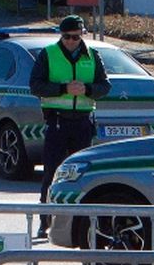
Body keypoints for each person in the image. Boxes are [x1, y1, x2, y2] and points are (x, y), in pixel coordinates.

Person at [30, 15, 112, 233]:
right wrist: (63, 89)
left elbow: (105, 86)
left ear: (82, 34)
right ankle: (45, 221)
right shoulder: (48, 54)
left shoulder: (93, 55)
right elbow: (36, 85)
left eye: (75, 37)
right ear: (61, 35)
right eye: (66, 37)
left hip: (83, 122)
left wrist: (87, 89)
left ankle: (81, 223)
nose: (70, 41)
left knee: (83, 174)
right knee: (52, 173)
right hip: (57, 120)